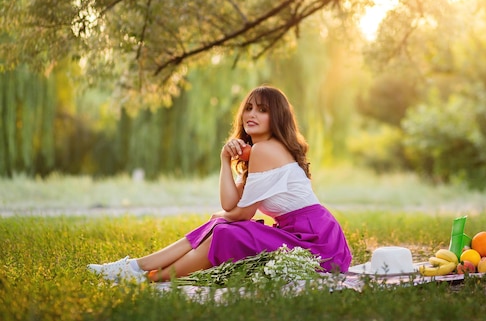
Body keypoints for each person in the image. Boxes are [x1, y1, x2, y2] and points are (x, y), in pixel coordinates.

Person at [87, 85, 352, 282]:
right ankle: (139, 271)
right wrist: (225, 160)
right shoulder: (259, 151)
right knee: (222, 225)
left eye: (262, 110)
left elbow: (240, 213)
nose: (251, 114)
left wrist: (222, 215)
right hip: (304, 234)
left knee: (225, 230)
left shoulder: (266, 151)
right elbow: (231, 205)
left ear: (277, 118)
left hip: (317, 242)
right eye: (248, 108)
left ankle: (141, 272)